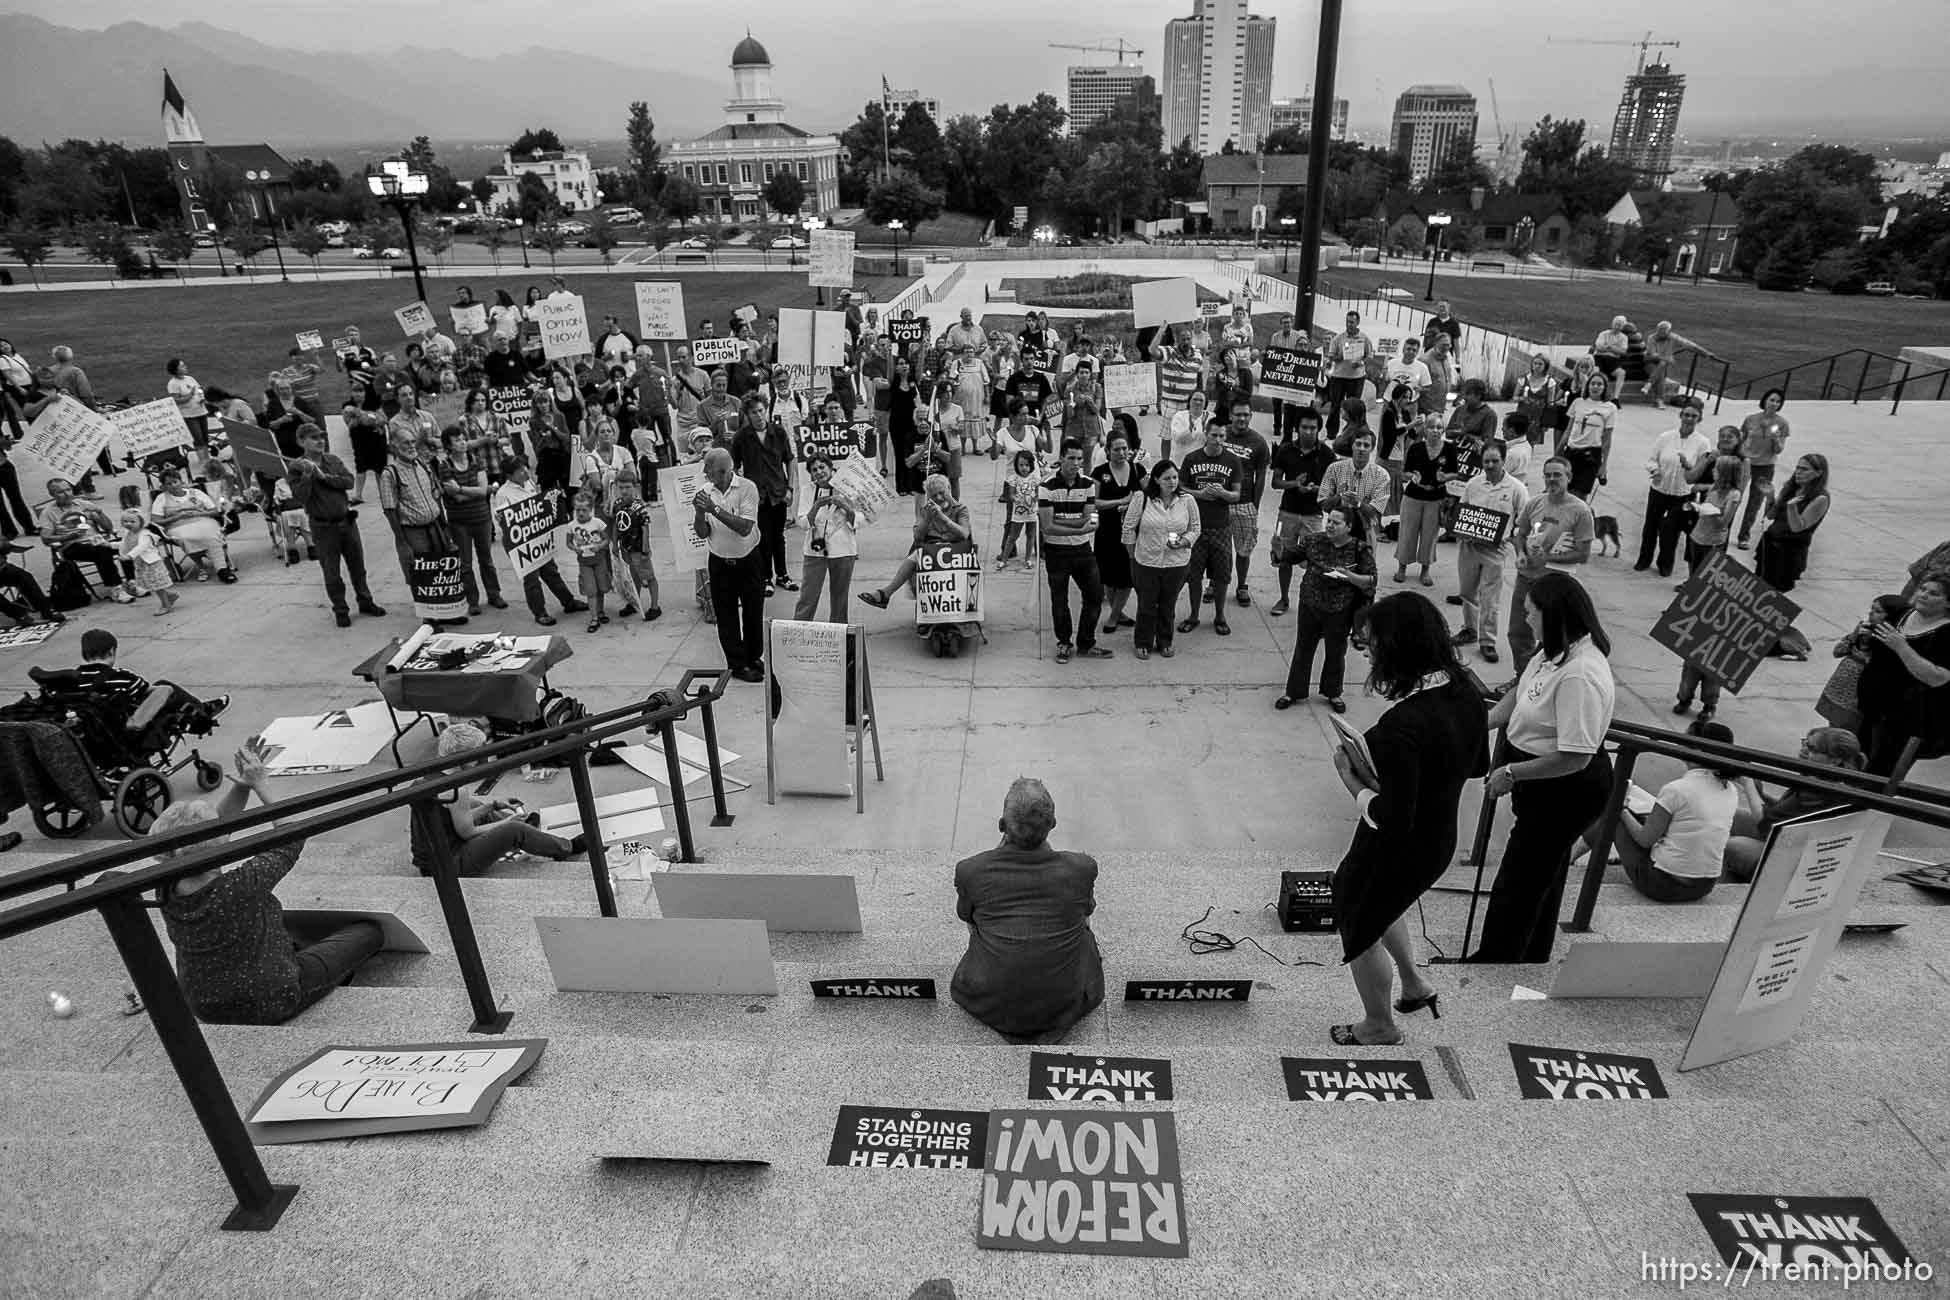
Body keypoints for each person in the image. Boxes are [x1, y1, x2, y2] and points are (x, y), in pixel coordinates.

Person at [1326, 593, 1488, 1043]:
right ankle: (1414, 985)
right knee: (1383, 905)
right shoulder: (1467, 690)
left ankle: (1378, 1024)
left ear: (1400, 648)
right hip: (1439, 837)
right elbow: (1476, 766)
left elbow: (1393, 819)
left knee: (1359, 922)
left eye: (1374, 645)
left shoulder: (1404, 724)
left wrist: (1354, 783)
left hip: (1399, 844)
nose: (1369, 654)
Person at [151, 741, 382, 1025]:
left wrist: (242, 786)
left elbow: (217, 828)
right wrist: (262, 784)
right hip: (273, 997)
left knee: (283, 923)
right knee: (368, 932)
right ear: (216, 844)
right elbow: (292, 834)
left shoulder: (164, 886)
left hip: (205, 1004)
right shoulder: (241, 885)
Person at [1472, 573, 1616, 963]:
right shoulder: (1549, 651)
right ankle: (1532, 953)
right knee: (1543, 875)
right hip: (1538, 779)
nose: (1524, 620)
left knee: (1518, 882)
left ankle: (1496, 961)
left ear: (1553, 616)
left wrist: (1512, 774)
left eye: (1530, 612)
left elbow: (1575, 756)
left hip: (1566, 789)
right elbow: (1518, 696)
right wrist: (1472, 724)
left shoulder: (1581, 675)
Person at [950, 778, 1103, 1043]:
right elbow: (1085, 916)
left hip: (991, 1001)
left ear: (1001, 825)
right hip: (1064, 1003)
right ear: (1053, 825)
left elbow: (969, 920)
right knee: (1084, 930)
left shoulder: (971, 871)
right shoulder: (1081, 868)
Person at [1587, 719, 1743, 904]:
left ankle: (1573, 860)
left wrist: (1620, 808)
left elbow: (1645, 840)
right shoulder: (1730, 790)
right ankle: (1575, 853)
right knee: (1642, 817)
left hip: (1664, 885)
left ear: (1697, 750)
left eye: (1684, 740)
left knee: (1615, 815)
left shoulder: (1677, 789)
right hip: (1704, 886)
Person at [412, 723, 586, 875]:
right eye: (480, 751)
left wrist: (492, 806)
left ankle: (528, 829)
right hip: (451, 866)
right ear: (466, 755)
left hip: (432, 861)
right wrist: (506, 822)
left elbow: (456, 820)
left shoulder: (425, 779)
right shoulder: (455, 790)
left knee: (479, 805)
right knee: (514, 830)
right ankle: (567, 847)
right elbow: (468, 832)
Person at [1721, 728, 1865, 883]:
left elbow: (1766, 824)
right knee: (1732, 816)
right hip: (1792, 841)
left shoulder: (1823, 789)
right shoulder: (1824, 777)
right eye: (1805, 743)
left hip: (1796, 859)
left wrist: (1748, 785)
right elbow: (1784, 812)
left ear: (1835, 760)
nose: (1803, 750)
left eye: (1811, 748)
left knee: (1732, 846)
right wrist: (1761, 795)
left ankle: (1728, 891)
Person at [1276, 507, 1377, 714]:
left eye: (1336, 523)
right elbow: (1289, 556)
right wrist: (1278, 549)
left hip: (1340, 608)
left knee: (1336, 651)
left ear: (1349, 527)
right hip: (1310, 603)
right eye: (1329, 521)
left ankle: (1333, 692)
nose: (1330, 525)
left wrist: (1349, 576)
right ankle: (1294, 691)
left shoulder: (1360, 548)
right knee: (1303, 648)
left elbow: (1371, 580)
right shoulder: (1314, 541)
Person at [1504, 458, 1595, 679]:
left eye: (1557, 475)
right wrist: (1522, 554)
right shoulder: (1534, 503)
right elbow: (1520, 535)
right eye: (1548, 475)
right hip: (1526, 579)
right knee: (1518, 632)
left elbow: (1583, 554)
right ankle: (1522, 679)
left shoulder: (1581, 511)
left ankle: (1545, 680)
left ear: (1569, 478)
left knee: (1552, 637)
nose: (1552, 479)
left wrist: (1548, 558)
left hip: (1556, 583)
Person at [287, 423, 384, 629]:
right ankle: (340, 609)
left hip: (346, 521)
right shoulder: (296, 467)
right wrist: (307, 477)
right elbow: (300, 496)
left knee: (358, 567)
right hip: (323, 527)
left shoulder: (332, 460)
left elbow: (348, 482)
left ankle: (365, 601)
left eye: (321, 436)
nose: (320, 440)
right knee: (332, 572)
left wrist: (324, 477)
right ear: (301, 442)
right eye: (314, 437)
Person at [1856, 570, 1950, 776]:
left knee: (1880, 771)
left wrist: (1902, 647)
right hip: (1872, 708)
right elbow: (1875, 654)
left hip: (1906, 720)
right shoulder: (1902, 614)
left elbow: (1938, 678)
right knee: (1858, 760)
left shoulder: (1946, 634)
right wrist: (1864, 640)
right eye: (1923, 589)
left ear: (1948, 603)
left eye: (1934, 594)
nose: (1923, 595)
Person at [376, 427, 464, 626]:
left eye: (412, 442)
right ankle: (430, 618)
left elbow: (436, 495)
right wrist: (401, 541)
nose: (411, 446)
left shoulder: (424, 466)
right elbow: (390, 510)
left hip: (435, 527)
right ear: (394, 447)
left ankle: (447, 612)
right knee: (422, 574)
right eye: (405, 443)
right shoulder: (390, 474)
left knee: (441, 571)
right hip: (413, 531)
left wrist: (444, 526)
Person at [1451, 441, 1529, 665]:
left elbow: (1523, 521)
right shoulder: (1473, 484)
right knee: (1467, 592)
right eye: (1486, 461)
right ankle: (1469, 629)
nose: (1490, 465)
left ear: (1504, 461)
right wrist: (1460, 531)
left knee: (1490, 598)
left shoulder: (1516, 488)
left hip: (1496, 550)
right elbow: (1462, 510)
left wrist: (1516, 542)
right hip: (1469, 548)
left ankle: (1487, 641)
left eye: (1495, 461)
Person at [694, 447, 766, 681]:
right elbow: (702, 532)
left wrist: (713, 508)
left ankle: (753, 655)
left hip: (749, 561)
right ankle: (737, 664)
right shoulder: (705, 491)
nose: (705, 472)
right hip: (720, 562)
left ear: (723, 471)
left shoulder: (747, 488)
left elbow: (745, 528)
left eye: (709, 468)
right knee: (726, 616)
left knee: (753, 611)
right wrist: (698, 513)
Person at [1038, 441, 1111, 665]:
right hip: (1056, 551)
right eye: (1071, 458)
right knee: (1059, 600)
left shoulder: (1088, 484)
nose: (1076, 464)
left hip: (1082, 549)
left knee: (1095, 596)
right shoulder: (1046, 485)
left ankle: (1086, 642)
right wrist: (1078, 524)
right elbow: (1047, 527)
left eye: (1080, 459)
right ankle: (1064, 642)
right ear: (1061, 458)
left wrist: (1061, 520)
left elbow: (1090, 520)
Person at [73, 628, 228, 732]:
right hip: (124, 728)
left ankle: (201, 709)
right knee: (163, 686)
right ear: (112, 651)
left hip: (94, 730)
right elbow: (148, 691)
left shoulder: (74, 679)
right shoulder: (120, 676)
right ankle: (202, 712)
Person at [491, 457, 586, 627]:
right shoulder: (503, 494)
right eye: (520, 470)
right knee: (532, 578)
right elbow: (505, 521)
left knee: (550, 571)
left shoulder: (529, 484)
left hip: (537, 537)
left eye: (525, 468)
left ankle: (568, 602)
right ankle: (540, 613)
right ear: (510, 475)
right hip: (521, 544)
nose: (526, 472)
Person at [1121, 456, 1198, 660]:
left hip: (1177, 563)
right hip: (1146, 562)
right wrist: (1132, 555)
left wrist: (1184, 542)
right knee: (1146, 604)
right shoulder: (1142, 498)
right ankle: (1143, 641)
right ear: (1156, 479)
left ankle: (1165, 640)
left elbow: (1195, 528)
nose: (1172, 482)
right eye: (1166, 478)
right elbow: (1128, 528)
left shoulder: (1187, 500)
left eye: (1175, 477)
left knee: (1168, 604)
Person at [859, 474, 972, 610]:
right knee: (915, 556)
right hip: (932, 551)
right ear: (929, 497)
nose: (939, 498)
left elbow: (964, 533)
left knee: (923, 555)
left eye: (942, 493)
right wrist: (927, 520)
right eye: (934, 495)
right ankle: (886, 593)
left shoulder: (960, 509)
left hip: (956, 551)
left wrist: (943, 518)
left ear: (949, 488)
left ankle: (886, 593)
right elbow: (917, 536)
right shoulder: (926, 510)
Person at [1177, 421, 1242, 638]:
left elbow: (1236, 495)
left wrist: (1222, 493)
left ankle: (1220, 616)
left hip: (1221, 527)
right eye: (1214, 435)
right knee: (1193, 576)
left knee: (1222, 576)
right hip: (1195, 527)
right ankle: (1194, 616)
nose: (1218, 440)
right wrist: (1200, 494)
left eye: (1222, 436)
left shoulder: (1232, 461)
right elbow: (1181, 487)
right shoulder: (1192, 459)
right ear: (1206, 434)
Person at [1636, 398, 1713, 577]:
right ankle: (1644, 559)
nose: (1689, 419)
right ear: (1680, 416)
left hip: (1683, 494)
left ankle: (1665, 564)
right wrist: (1655, 470)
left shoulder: (1703, 443)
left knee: (1671, 531)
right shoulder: (1665, 437)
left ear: (1699, 419)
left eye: (1694, 416)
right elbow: (1651, 460)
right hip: (1659, 490)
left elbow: (1701, 470)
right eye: (1686, 415)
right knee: (1650, 527)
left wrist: (1689, 466)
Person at [730, 395, 796, 595]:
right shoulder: (742, 436)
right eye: (753, 412)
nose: (758, 415)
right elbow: (735, 465)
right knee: (763, 538)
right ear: (747, 415)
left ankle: (783, 575)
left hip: (778, 492)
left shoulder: (778, 432)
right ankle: (766, 577)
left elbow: (789, 460)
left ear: (765, 409)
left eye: (760, 410)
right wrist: (743, 492)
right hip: (756, 496)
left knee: (779, 536)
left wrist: (789, 488)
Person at [436, 426, 504, 616]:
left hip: (482, 517)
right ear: (448, 445)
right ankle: (472, 601)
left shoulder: (476, 460)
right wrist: (472, 491)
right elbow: (455, 496)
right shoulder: (445, 465)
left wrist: (461, 489)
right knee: (465, 564)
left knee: (487, 560)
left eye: (463, 439)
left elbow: (483, 490)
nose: (462, 442)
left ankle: (494, 595)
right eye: (457, 440)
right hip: (459, 522)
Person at [1818, 595, 1909, 735]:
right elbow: (1837, 652)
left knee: (1848, 727)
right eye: (1872, 609)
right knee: (1834, 721)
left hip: (1859, 689)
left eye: (1878, 611)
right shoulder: (1863, 628)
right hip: (1841, 683)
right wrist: (1853, 637)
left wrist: (1867, 645)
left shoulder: (1893, 640)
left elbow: (1877, 665)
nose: (1871, 613)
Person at [36, 477, 136, 602]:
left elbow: (108, 528)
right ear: (52, 494)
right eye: (61, 492)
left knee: (126, 544)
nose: (67, 494)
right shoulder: (48, 513)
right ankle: (115, 588)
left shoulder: (83, 504)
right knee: (101, 551)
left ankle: (132, 582)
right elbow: (45, 538)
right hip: (72, 545)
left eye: (68, 490)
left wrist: (98, 515)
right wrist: (68, 536)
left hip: (96, 540)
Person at [1754, 454, 1830, 606]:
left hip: (1788, 552)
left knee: (1772, 596)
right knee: (1757, 588)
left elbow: (1798, 527)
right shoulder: (1791, 488)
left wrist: (1792, 507)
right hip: (1770, 544)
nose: (1798, 472)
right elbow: (1770, 515)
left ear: (1818, 473)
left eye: (1804, 469)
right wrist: (1770, 497)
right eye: (1797, 467)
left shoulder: (1820, 498)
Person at [1090, 426, 1144, 635]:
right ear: (1108, 451)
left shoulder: (1138, 470)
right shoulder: (1099, 473)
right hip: (1106, 531)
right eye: (1117, 449)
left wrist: (1133, 505)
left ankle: (1113, 617)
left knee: (1126, 576)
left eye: (1125, 449)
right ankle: (1118, 612)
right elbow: (1094, 502)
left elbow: (1147, 494)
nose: (1122, 453)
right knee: (1108, 576)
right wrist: (1120, 502)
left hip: (1130, 533)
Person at [1395, 418, 1458, 588]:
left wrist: (1445, 477)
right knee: (1407, 532)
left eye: (1439, 427)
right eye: (1431, 427)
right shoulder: (1416, 448)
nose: (1435, 431)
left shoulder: (1450, 449)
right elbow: (1404, 473)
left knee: (1430, 536)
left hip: (1436, 497)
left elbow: (1455, 473)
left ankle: (1425, 570)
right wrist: (1412, 477)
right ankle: (1402, 567)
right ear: (1425, 429)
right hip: (1413, 496)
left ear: (1443, 430)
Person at [794, 454, 858, 622]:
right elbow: (802, 523)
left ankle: (839, 637)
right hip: (814, 551)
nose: (819, 472)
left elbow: (861, 519)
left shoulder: (847, 487)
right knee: (808, 597)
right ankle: (799, 632)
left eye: (822, 467)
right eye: (814, 470)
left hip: (843, 550)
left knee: (840, 599)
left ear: (831, 468)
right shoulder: (807, 490)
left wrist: (844, 505)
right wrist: (816, 506)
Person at [1220, 398, 1271, 609]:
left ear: (1251, 416)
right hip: (1219, 502)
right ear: (1231, 415)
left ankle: (1242, 585)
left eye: (1246, 415)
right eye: (1238, 414)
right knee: (1218, 550)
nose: (1242, 418)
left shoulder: (1259, 442)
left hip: (1245, 504)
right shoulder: (1219, 435)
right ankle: (1215, 583)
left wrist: (1255, 505)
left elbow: (1261, 477)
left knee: (1243, 550)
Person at [1734, 390, 1791, 549]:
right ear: (1765, 400)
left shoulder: (1782, 424)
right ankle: (1723, 531)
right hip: (1747, 463)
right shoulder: (1751, 419)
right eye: (1771, 400)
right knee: (1735, 497)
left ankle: (1743, 536)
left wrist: (1776, 438)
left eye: (1778, 401)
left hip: (1765, 466)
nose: (1774, 404)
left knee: (1755, 503)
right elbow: (1741, 440)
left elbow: (1779, 450)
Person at [148, 468, 227, 581]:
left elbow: (214, 511)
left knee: (211, 534)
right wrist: (176, 517)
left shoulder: (196, 493)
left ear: (181, 481)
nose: (173, 486)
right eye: (168, 484)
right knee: (185, 537)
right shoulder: (161, 499)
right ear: (164, 486)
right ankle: (201, 566)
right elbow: (155, 521)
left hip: (203, 521)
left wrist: (199, 513)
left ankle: (222, 569)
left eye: (175, 482)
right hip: (178, 526)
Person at [607, 471, 661, 623]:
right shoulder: (617, 504)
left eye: (627, 487)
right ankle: (634, 602)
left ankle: (655, 606)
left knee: (649, 576)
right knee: (632, 576)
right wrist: (615, 544)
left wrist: (645, 549)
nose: (623, 491)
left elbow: (645, 528)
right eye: (620, 487)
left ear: (635, 487)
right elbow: (617, 525)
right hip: (625, 548)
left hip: (638, 549)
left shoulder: (639, 507)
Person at [1558, 370, 1615, 500]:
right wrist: (1558, 452)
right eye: (1593, 383)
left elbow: (1607, 439)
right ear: (1587, 386)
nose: (1596, 387)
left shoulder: (1610, 408)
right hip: (1572, 451)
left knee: (1580, 494)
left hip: (1591, 456)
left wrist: (1604, 465)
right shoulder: (1578, 402)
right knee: (1563, 490)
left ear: (1605, 387)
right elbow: (1568, 430)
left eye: (1600, 384)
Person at [564, 489, 612, 634]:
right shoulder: (571, 526)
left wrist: (600, 546)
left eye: (584, 510)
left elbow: (606, 539)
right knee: (591, 590)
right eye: (578, 510)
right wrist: (575, 549)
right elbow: (568, 543)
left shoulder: (598, 523)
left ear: (591, 509)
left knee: (602, 587)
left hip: (599, 561)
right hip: (584, 563)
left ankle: (600, 611)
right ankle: (594, 618)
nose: (580, 513)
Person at [117, 507, 177, 616]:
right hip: (142, 563)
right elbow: (123, 544)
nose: (128, 524)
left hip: (152, 563)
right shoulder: (128, 533)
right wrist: (108, 545)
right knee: (151, 584)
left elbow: (141, 547)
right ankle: (169, 595)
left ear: (142, 522)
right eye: (125, 521)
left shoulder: (145, 534)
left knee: (157, 586)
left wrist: (129, 556)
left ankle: (166, 604)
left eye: (132, 521)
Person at [1324, 311, 1375, 437]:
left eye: (1352, 322)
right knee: (1335, 406)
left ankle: (1352, 433)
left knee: (1353, 408)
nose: (1349, 324)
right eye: (1347, 322)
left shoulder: (1364, 338)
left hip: (1356, 378)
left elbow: (1369, 356)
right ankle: (1331, 433)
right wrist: (1338, 357)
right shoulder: (1338, 338)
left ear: (1357, 322)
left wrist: (1361, 362)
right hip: (1339, 377)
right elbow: (1330, 356)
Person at [1642, 321, 1717, 407]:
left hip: (1661, 364)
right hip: (1649, 362)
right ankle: (1659, 400)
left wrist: (1705, 353)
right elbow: (1652, 354)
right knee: (1661, 370)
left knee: (1661, 369)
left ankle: (1650, 385)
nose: (1661, 333)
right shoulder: (1651, 338)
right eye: (1660, 331)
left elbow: (1689, 345)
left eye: (1663, 331)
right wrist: (1667, 358)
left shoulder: (1673, 337)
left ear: (1668, 331)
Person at [166, 358, 209, 451]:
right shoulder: (173, 384)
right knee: (198, 439)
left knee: (205, 437)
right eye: (182, 366)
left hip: (201, 411)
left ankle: (207, 457)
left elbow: (199, 389)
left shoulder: (190, 378)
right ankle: (203, 459)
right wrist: (190, 395)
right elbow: (176, 400)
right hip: (189, 415)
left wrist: (202, 398)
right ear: (176, 370)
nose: (185, 367)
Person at [1591, 315, 1629, 400]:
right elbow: (1599, 347)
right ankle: (1593, 395)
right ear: (1612, 324)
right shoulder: (1603, 334)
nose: (1616, 327)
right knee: (1595, 370)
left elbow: (1623, 351)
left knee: (1621, 373)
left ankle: (1616, 397)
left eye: (1619, 325)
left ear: (1622, 327)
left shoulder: (1624, 338)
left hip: (1613, 361)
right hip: (1600, 358)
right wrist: (1615, 348)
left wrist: (1609, 347)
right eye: (1615, 324)